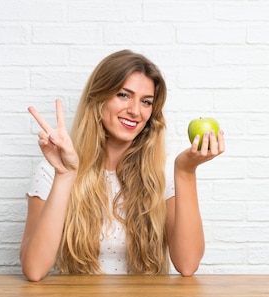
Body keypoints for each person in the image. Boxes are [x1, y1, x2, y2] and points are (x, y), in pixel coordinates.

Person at [19, 50, 225, 281]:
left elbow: (187, 265)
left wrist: (186, 171)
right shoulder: (52, 171)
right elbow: (34, 270)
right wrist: (65, 175)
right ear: (98, 98)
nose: (136, 111)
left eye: (146, 102)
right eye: (124, 95)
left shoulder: (163, 171)